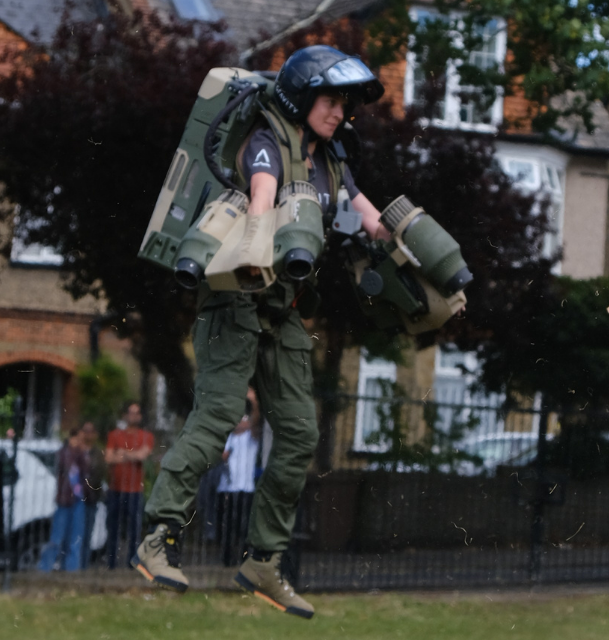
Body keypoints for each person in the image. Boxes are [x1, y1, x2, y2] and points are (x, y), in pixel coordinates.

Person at [133, 45, 387, 618]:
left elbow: (365, 213)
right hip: (234, 297)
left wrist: (401, 243)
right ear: (301, 98)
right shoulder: (266, 142)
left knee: (299, 435)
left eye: (344, 102)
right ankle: (157, 536)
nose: (339, 111)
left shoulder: (330, 158)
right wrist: (257, 240)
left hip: (282, 308)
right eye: (330, 99)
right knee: (219, 416)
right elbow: (264, 197)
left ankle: (263, 563)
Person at [106, 402, 154, 569]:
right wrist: (132, 455)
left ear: (140, 416)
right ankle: (111, 563)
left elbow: (143, 455)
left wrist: (123, 453)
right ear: (125, 415)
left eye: (136, 413)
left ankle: (132, 563)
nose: (133, 416)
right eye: (130, 413)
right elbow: (109, 458)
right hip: (116, 488)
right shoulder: (115, 435)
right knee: (113, 528)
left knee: (134, 529)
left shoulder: (146, 436)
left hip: (135, 490)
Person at [216, 398, 261, 566]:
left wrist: (255, 402)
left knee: (243, 527)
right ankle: (227, 559)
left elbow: (256, 426)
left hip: (245, 488)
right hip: (226, 487)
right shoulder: (228, 436)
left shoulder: (251, 436)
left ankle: (243, 559)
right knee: (227, 527)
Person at [39, 426, 87, 572]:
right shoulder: (64, 453)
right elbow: (65, 467)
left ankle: (72, 569)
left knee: (75, 538)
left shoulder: (82, 455)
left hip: (78, 499)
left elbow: (87, 471)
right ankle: (45, 567)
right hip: (65, 499)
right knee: (57, 537)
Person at [80, 421, 106, 569]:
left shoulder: (97, 453)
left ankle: (83, 566)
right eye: (86, 431)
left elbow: (99, 475)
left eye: (91, 431)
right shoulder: (76, 449)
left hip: (91, 498)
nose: (88, 434)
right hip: (76, 498)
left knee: (87, 534)